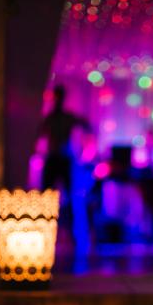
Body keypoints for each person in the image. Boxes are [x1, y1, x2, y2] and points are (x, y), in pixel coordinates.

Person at [36, 84, 92, 240]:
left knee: (69, 195)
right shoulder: (51, 118)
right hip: (54, 158)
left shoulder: (66, 117)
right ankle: (44, 229)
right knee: (46, 195)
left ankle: (73, 233)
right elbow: (39, 133)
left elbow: (87, 126)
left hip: (63, 159)